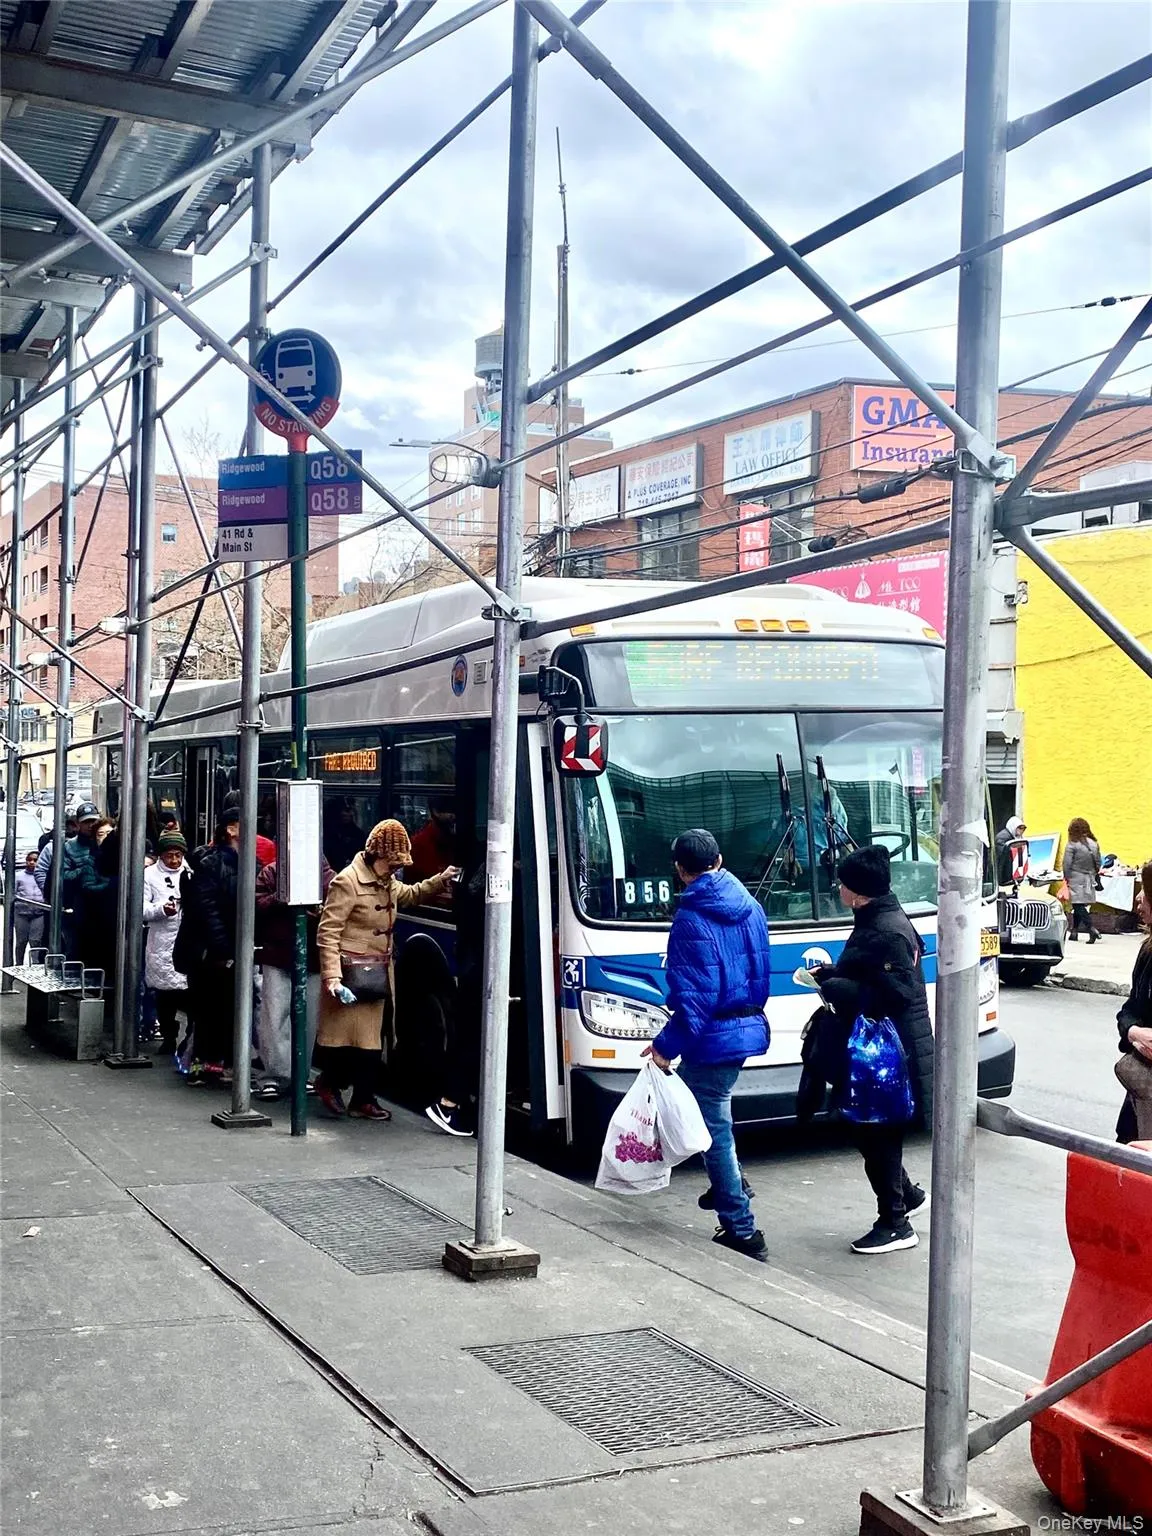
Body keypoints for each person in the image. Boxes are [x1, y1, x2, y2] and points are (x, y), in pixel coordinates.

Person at [642, 828, 771, 1263]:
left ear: (681, 871)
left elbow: (695, 999)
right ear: (718, 860)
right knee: (714, 1119)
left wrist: (664, 1047)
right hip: (745, 1028)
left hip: (712, 1037)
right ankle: (728, 1185)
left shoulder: (690, 920)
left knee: (714, 1130)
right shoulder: (751, 906)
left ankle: (741, 1225)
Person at [811, 845, 933, 1255]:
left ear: (858, 892)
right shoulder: (875, 919)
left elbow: (896, 994)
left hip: (885, 1055)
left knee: (877, 1129)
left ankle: (895, 1223)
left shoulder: (885, 930)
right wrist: (833, 975)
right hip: (874, 1049)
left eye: (843, 883)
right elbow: (870, 976)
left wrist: (837, 986)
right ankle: (909, 1195)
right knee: (868, 1130)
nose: (838, 888)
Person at [315, 818, 457, 1120]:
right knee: (348, 1044)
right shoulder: (347, 882)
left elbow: (409, 894)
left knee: (373, 1041)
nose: (396, 870)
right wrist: (333, 978)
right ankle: (329, 1083)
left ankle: (363, 1099)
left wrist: (439, 880)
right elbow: (328, 932)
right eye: (393, 863)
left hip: (378, 975)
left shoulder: (387, 882)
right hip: (351, 976)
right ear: (377, 855)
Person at [253, 852, 335, 1099]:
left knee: (306, 1019)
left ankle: (297, 1073)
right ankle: (277, 1074)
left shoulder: (328, 877)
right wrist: (284, 900)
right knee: (275, 1015)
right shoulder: (272, 872)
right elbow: (257, 904)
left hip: (305, 955)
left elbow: (338, 909)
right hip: (280, 953)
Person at [177, 806, 242, 1085]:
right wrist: (224, 946)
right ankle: (200, 1063)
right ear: (231, 829)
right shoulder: (211, 862)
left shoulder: (241, 861)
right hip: (208, 950)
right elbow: (208, 909)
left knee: (224, 1007)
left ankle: (212, 1062)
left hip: (224, 946)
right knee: (207, 1008)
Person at [143, 831, 191, 1054]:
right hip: (161, 942)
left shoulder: (191, 872)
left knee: (190, 994)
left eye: (178, 855)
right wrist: (161, 910)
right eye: (170, 855)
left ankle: (190, 1038)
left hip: (187, 940)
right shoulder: (149, 875)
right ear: (161, 855)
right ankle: (169, 1035)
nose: (175, 860)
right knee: (165, 995)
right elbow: (141, 908)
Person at [1115, 858, 1152, 1144]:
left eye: (1146, 891)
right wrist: (1133, 1032)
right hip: (1142, 1092)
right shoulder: (1147, 950)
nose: (1139, 897)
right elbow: (1128, 1009)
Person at [1063, 817, 1102, 944]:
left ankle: (1091, 929)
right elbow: (1098, 862)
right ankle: (1074, 932)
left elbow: (1067, 864)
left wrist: (1066, 878)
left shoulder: (1072, 845)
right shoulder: (1094, 844)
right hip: (1089, 878)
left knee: (1078, 905)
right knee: (1080, 904)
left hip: (1076, 877)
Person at [409, 798, 457, 883]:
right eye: (450, 812)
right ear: (436, 812)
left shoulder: (450, 838)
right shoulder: (420, 843)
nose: (454, 817)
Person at [13, 849, 45, 961]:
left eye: (35, 860)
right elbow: (12, 895)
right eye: (29, 860)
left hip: (39, 914)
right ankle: (18, 965)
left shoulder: (43, 876)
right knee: (21, 942)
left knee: (35, 942)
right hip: (21, 914)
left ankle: (35, 967)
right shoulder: (18, 876)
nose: (32, 862)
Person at [324, 798, 365, 875]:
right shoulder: (325, 833)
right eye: (345, 810)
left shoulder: (357, 834)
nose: (349, 814)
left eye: (350, 811)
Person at [995, 815, 1027, 886]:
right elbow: (1002, 857)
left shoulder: (1016, 836)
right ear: (1013, 826)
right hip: (1002, 872)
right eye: (1019, 828)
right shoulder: (1002, 837)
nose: (1021, 830)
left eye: (1023, 828)